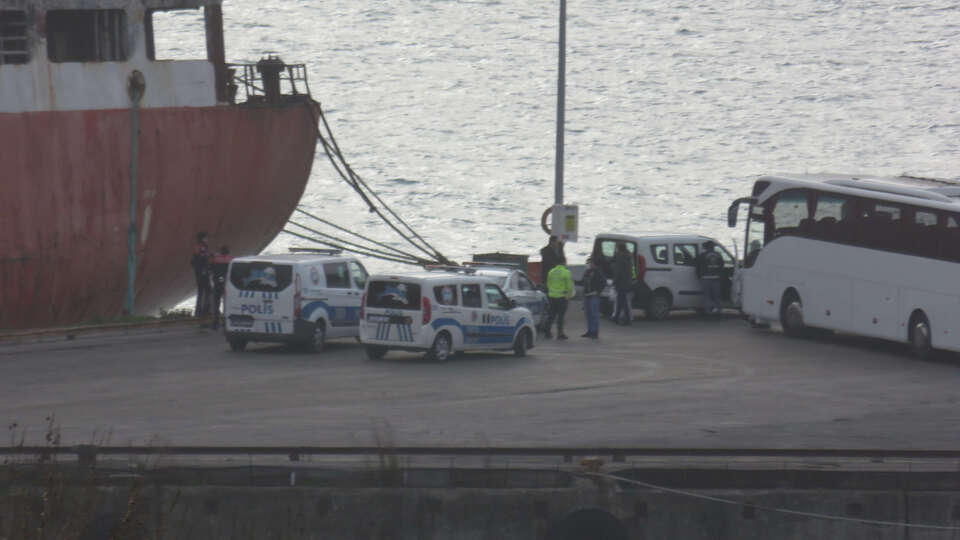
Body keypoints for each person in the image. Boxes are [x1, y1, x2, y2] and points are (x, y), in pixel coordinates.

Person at [542, 257, 574, 340]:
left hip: (552, 297)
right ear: (564, 262)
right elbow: (569, 286)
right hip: (561, 297)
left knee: (551, 315)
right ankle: (560, 334)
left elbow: (548, 284)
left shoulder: (551, 271)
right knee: (560, 316)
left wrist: (552, 292)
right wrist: (569, 296)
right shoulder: (566, 272)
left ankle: (547, 332)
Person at [581, 257, 606, 339]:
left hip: (594, 295)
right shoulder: (587, 272)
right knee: (588, 314)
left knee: (594, 314)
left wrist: (598, 291)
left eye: (589, 263)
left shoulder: (598, 272)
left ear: (593, 263)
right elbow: (583, 282)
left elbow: (603, 282)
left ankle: (595, 332)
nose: (588, 265)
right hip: (587, 295)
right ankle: (590, 330)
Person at [696, 240, 724, 315]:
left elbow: (698, 267)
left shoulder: (702, 255)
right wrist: (721, 277)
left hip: (705, 278)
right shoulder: (718, 255)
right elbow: (722, 266)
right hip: (716, 278)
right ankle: (719, 312)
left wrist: (699, 276)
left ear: (706, 247)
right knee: (717, 297)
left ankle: (708, 313)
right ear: (713, 247)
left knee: (707, 296)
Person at [209, 245, 233, 329]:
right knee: (226, 303)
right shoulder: (230, 259)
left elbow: (210, 269)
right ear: (227, 252)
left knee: (216, 303)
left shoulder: (215, 259)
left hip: (217, 283)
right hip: (226, 284)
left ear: (221, 251)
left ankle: (215, 323)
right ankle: (225, 322)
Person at [611, 242, 634, 325]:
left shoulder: (620, 257)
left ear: (619, 248)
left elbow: (618, 271)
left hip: (621, 282)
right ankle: (617, 317)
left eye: (616, 247)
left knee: (622, 301)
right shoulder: (628, 256)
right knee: (621, 300)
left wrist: (614, 281)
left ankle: (626, 319)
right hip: (627, 281)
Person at [191, 232, 212, 317]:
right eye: (206, 238)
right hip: (202, 272)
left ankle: (199, 311)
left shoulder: (199, 246)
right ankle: (204, 311)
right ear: (203, 238)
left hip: (200, 271)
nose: (207, 240)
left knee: (202, 291)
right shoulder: (201, 246)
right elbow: (202, 257)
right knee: (207, 290)